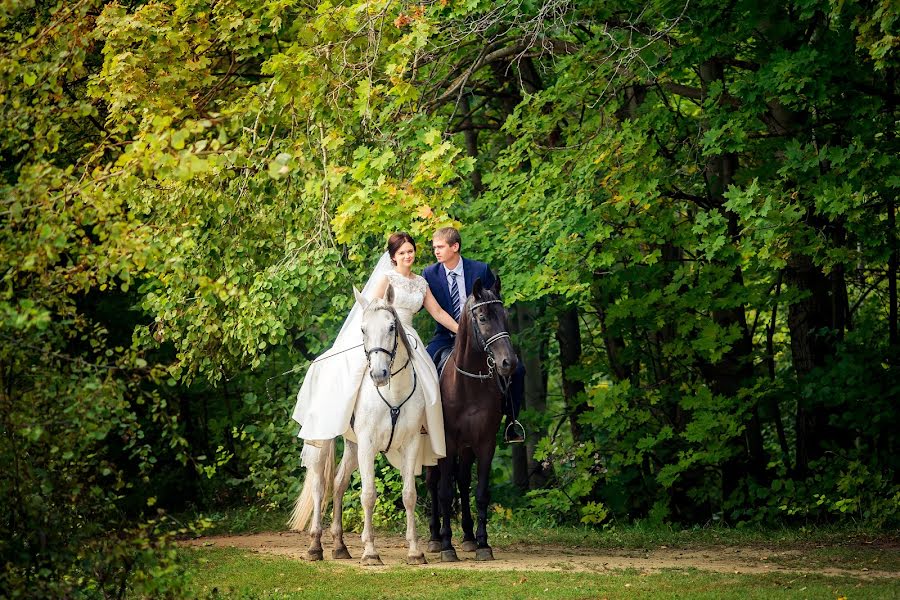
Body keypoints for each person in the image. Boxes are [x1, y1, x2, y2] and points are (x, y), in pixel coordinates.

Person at [291, 232, 459, 472]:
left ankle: (423, 427)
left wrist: (461, 330)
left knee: (429, 377)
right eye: (402, 253)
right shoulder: (386, 278)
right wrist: (376, 336)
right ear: (393, 257)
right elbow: (369, 310)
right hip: (382, 335)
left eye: (410, 251)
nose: (407, 255)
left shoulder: (421, 283)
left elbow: (439, 312)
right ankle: (341, 415)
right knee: (354, 372)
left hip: (409, 337)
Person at [422, 226, 526, 443]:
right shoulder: (429, 274)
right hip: (445, 336)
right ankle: (424, 425)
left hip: (482, 339)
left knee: (517, 370)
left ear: (455, 247)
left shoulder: (481, 270)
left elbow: (494, 308)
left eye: (440, 247)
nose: (436, 252)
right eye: (434, 248)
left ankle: (512, 422)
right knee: (423, 367)